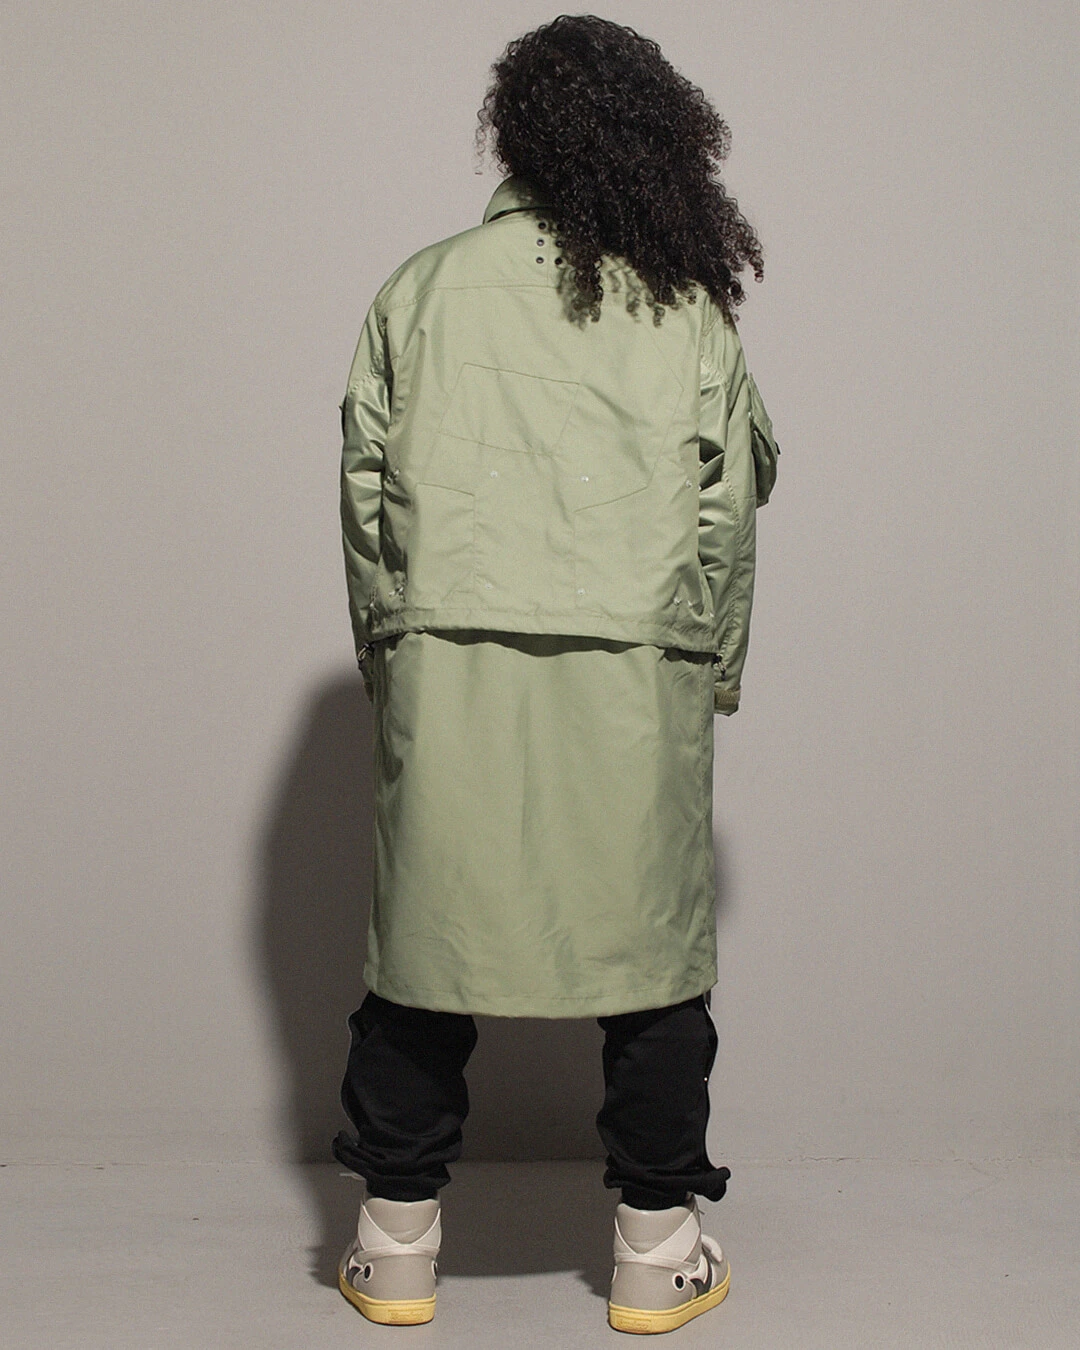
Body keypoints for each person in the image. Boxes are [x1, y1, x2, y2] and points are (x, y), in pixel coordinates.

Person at [330, 13, 779, 1335]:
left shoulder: (420, 290)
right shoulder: (684, 308)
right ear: (658, 140)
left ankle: (394, 1246)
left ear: (514, 134)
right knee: (651, 966)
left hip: (450, 668)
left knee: (425, 957)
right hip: (635, 679)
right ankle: (657, 1250)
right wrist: (713, 672)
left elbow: (365, 502)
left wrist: (394, 658)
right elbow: (725, 519)